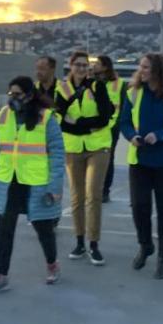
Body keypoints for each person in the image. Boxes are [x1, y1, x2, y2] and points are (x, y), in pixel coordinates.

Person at [0, 76, 65, 293]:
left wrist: (55, 187)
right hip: (8, 180)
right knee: (4, 229)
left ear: (29, 95)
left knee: (43, 228)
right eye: (11, 94)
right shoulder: (2, 116)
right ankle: (1, 275)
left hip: (36, 182)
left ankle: (52, 264)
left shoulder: (46, 118)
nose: (13, 98)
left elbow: (57, 154)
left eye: (17, 94)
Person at [120, 53, 163, 279]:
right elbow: (124, 122)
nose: (141, 70)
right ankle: (145, 245)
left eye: (146, 67)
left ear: (158, 71)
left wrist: (160, 135)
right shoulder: (133, 93)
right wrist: (131, 136)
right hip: (140, 160)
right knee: (139, 207)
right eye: (140, 66)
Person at [54, 51, 113, 265]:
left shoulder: (97, 86)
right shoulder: (62, 89)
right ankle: (79, 241)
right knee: (77, 196)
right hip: (73, 148)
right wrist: (87, 125)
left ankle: (94, 243)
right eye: (77, 64)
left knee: (93, 195)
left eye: (84, 65)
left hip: (98, 146)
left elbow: (104, 117)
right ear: (70, 66)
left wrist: (78, 124)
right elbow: (59, 119)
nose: (81, 68)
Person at [94, 55, 128, 203]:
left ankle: (104, 191)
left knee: (108, 159)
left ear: (105, 67)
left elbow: (124, 106)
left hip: (111, 128)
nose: (94, 66)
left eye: (97, 63)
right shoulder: (92, 82)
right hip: (94, 127)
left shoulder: (119, 84)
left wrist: (117, 125)